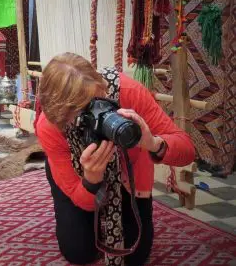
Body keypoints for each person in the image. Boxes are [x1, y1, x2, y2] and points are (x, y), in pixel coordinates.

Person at [35, 53, 195, 266]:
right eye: (85, 112)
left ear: (101, 86)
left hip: (129, 176)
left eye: (96, 101)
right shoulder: (50, 124)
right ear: (64, 115)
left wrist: (153, 143)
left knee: (134, 257)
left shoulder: (129, 92)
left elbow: (187, 150)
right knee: (78, 252)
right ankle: (59, 190)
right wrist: (91, 179)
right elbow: (81, 198)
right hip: (78, 173)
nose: (96, 114)